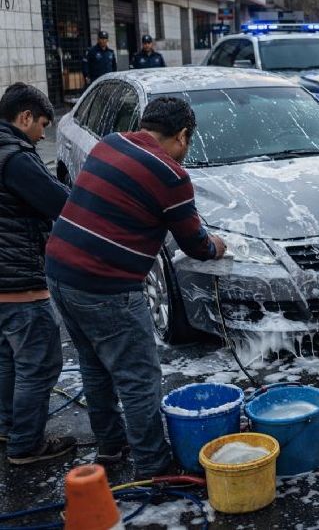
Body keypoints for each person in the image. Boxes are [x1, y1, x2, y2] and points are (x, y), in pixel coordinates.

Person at [45, 97, 226, 478]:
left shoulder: (110, 142)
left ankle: (111, 448)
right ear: (181, 135)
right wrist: (216, 246)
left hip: (60, 271)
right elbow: (195, 242)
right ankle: (153, 467)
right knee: (139, 378)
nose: (186, 151)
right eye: (187, 143)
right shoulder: (170, 174)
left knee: (96, 367)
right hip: (105, 285)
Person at [0, 83, 75, 465]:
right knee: (39, 364)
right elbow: (59, 201)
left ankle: (10, 426)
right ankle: (26, 445)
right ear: (24, 116)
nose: (43, 134)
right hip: (18, 285)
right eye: (42, 124)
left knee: (8, 360)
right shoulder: (15, 157)